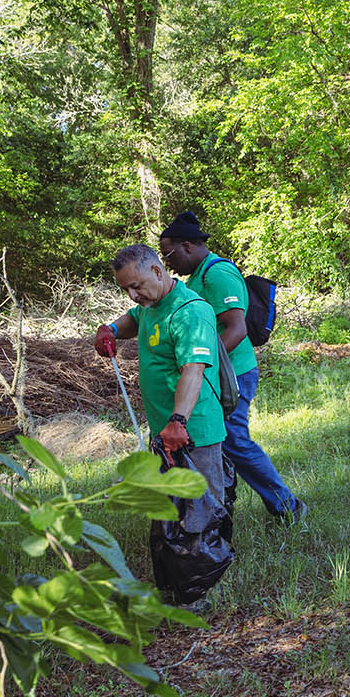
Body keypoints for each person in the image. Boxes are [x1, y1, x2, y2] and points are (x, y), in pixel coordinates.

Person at [94, 244, 234, 599]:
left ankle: (204, 589)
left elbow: (193, 369)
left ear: (158, 271)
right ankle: (178, 582)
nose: (132, 294)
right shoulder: (151, 306)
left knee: (199, 506)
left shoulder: (191, 312)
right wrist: (110, 328)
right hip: (165, 429)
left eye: (137, 285)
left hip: (192, 428)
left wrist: (178, 421)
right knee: (171, 505)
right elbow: (133, 318)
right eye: (125, 288)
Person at [159, 212, 306, 524]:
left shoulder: (217, 274)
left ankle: (288, 506)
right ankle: (223, 504)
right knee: (217, 440)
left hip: (232, 374)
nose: (166, 262)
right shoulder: (196, 278)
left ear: (187, 246)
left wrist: (202, 366)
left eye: (168, 254)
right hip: (217, 374)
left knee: (233, 441)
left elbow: (236, 330)